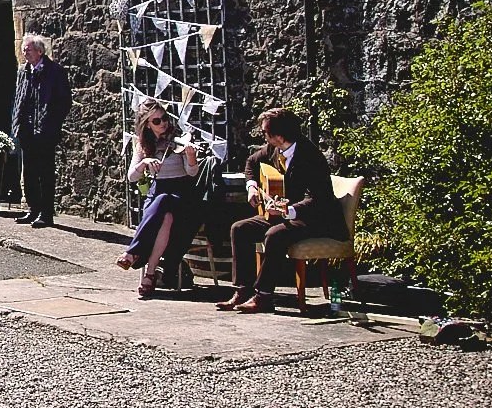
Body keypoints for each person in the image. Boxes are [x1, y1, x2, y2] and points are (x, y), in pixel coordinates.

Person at [219, 108, 344, 313]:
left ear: (279, 136)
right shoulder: (274, 148)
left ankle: (264, 296)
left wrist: (287, 211)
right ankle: (242, 290)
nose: (263, 136)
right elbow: (251, 162)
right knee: (240, 229)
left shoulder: (311, 157)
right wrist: (251, 187)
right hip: (284, 213)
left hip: (314, 218)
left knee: (275, 234)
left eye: (264, 132)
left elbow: (317, 200)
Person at [123, 99, 199, 299]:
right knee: (165, 217)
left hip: (182, 193)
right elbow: (132, 177)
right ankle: (150, 275)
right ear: (147, 125)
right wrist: (144, 163)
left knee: (164, 200)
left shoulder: (179, 139)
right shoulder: (143, 144)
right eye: (156, 121)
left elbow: (192, 173)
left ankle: (133, 252)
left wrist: (191, 158)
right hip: (158, 193)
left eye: (164, 118)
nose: (163, 123)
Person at [11, 33, 72, 228]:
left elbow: (64, 101)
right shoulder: (23, 71)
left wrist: (51, 122)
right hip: (26, 130)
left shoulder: (55, 71)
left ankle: (46, 213)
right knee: (29, 173)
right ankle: (33, 210)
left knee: (45, 173)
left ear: (39, 51)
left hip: (45, 131)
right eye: (23, 50)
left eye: (28, 50)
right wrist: (17, 124)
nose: (24, 53)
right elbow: (19, 98)